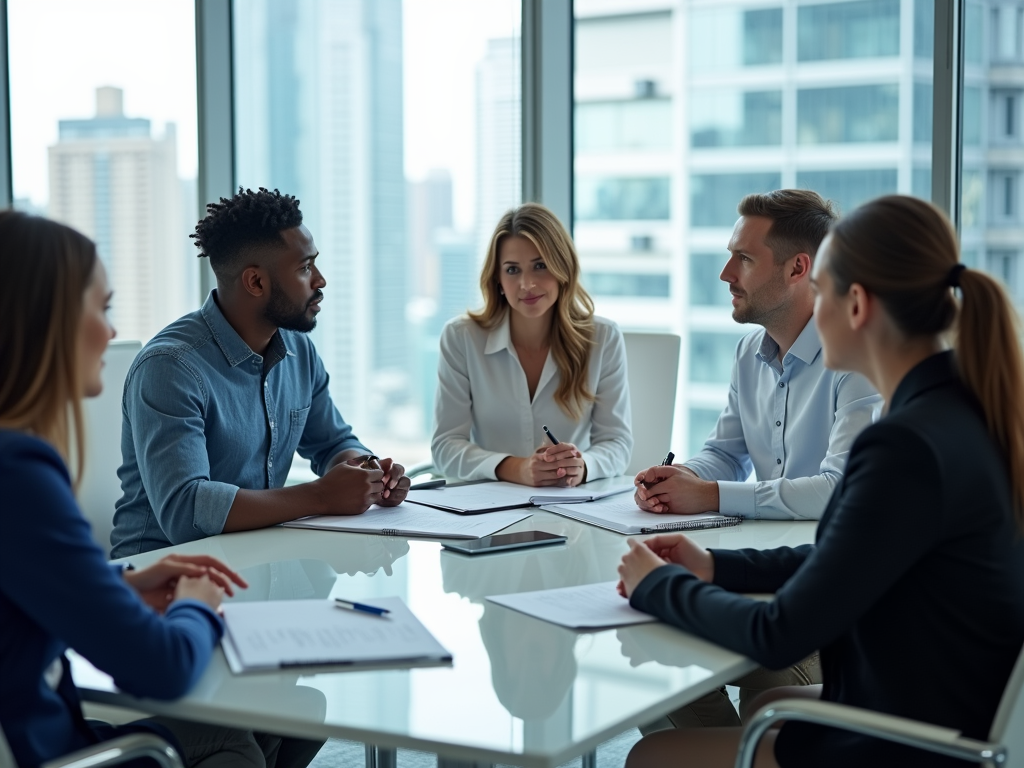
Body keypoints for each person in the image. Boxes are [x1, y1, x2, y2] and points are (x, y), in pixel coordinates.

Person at [618, 195, 1024, 767]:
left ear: (855, 304)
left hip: (911, 740)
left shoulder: (903, 446)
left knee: (650, 756)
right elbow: (846, 555)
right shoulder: (961, 410)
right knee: (773, 702)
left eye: (824, 292)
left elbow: (779, 633)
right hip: (944, 702)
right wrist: (715, 566)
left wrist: (656, 588)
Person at [0, 211, 281, 768]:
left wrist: (120, 582)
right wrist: (198, 605)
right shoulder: (19, 472)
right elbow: (161, 669)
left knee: (284, 717)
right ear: (42, 321)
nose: (110, 332)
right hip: (44, 746)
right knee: (234, 739)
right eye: (100, 309)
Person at [633, 190, 881, 728]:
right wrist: (685, 478)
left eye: (743, 258)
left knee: (691, 670)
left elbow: (841, 487)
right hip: (768, 569)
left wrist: (712, 495)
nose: (726, 273)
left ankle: (741, 748)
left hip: (825, 604)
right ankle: (731, 750)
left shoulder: (855, 357)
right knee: (656, 665)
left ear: (799, 268)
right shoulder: (751, 351)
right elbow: (725, 451)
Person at [110, 188, 410, 558]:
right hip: (160, 577)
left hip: (258, 563)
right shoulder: (170, 368)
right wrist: (321, 495)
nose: (320, 280)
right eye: (304, 268)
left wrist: (366, 472)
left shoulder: (297, 350)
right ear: (255, 283)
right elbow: (186, 512)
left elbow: (332, 443)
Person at [432, 203, 632, 486]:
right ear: (498, 280)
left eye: (540, 266)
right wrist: (518, 469)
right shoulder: (461, 338)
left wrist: (581, 466)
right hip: (487, 507)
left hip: (569, 504)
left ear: (562, 268)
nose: (526, 284)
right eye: (512, 270)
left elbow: (617, 443)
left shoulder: (603, 338)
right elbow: (445, 448)